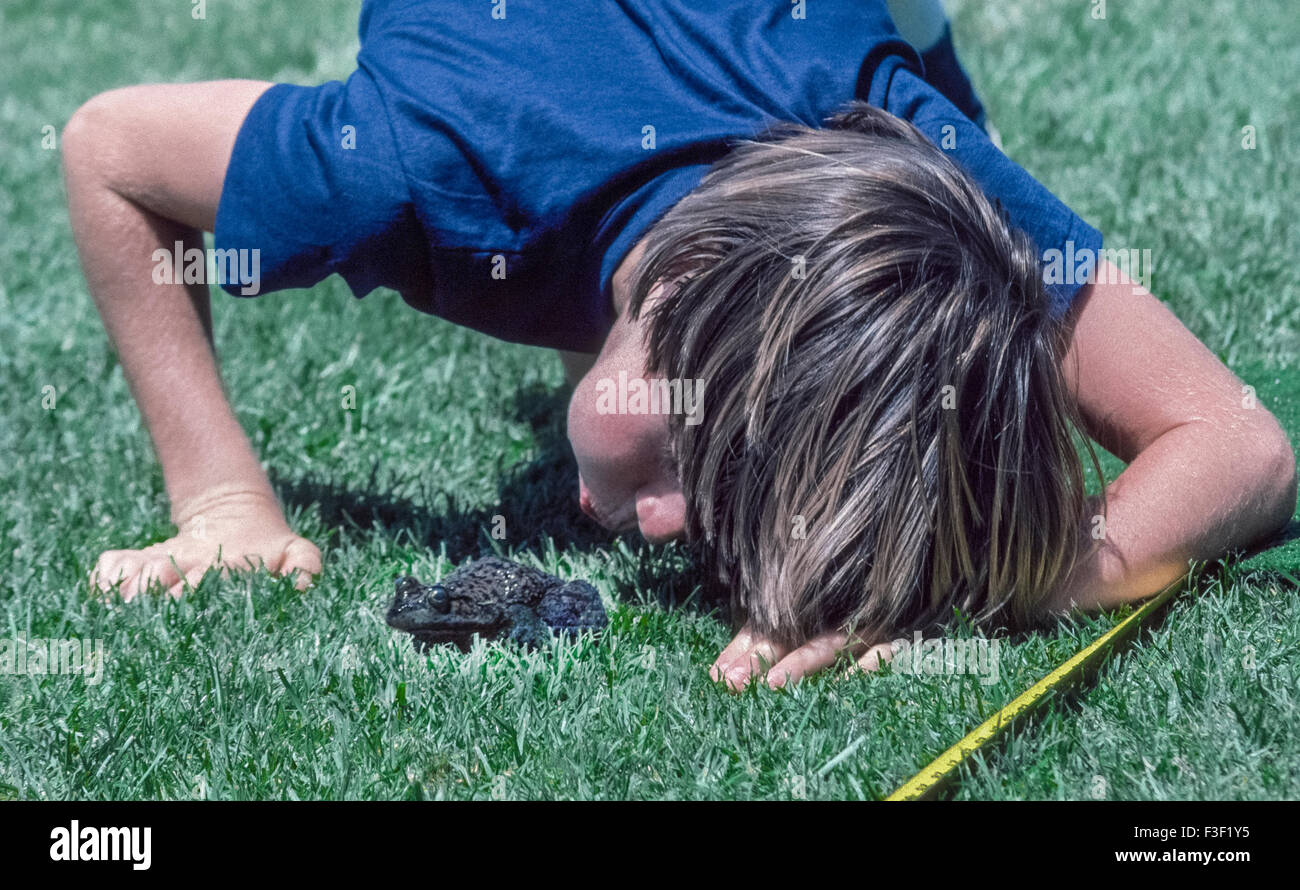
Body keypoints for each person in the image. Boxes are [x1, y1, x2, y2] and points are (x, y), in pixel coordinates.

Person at [62, 0, 1295, 689]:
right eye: (699, 473)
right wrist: (221, 501)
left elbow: (1238, 439)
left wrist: (1037, 578)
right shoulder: (419, 172)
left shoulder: (898, 152)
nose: (661, 529)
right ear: (689, 281)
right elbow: (109, 153)